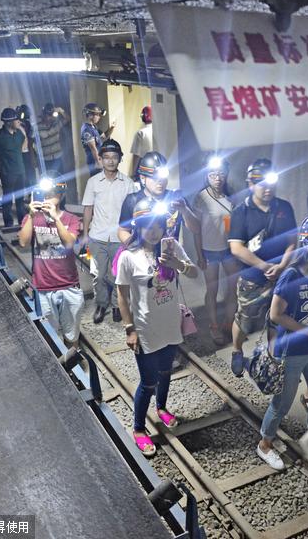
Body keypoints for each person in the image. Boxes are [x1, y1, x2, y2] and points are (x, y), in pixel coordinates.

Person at [256, 215, 308, 470]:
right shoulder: (291, 275)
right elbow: (275, 314)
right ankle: (265, 444)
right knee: (282, 403)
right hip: (291, 352)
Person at [116, 196, 198, 457]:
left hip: (170, 324)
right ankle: (139, 429)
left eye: (158, 226)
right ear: (138, 227)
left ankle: (161, 408)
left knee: (166, 372)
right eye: (147, 226)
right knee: (148, 381)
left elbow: (194, 272)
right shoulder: (129, 256)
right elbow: (122, 295)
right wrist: (130, 329)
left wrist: (177, 264)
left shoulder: (171, 247)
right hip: (146, 328)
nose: (153, 231)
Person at [228, 158, 297, 378]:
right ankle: (237, 351)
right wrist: (265, 266)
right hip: (252, 278)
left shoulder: (284, 207)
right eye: (261, 184)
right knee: (245, 320)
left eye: (271, 183)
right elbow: (236, 248)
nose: (267, 188)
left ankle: (271, 359)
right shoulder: (241, 211)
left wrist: (282, 266)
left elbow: (293, 240)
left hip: (280, 277)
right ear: (251, 184)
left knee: (276, 319)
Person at [18, 176, 84, 347]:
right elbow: (23, 242)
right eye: (44, 194)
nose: (47, 198)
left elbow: (69, 243)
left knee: (72, 336)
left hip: (69, 286)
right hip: (42, 288)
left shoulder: (71, 219)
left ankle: (74, 367)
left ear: (60, 196)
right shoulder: (32, 218)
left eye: (52, 194)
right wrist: (32, 215)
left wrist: (56, 219)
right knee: (49, 336)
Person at [82, 139, 136, 324]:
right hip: (97, 237)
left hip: (119, 238)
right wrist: (84, 235)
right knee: (99, 275)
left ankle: (116, 306)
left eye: (114, 157)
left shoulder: (128, 184)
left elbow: (133, 212)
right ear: (100, 159)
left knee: (117, 276)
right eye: (106, 158)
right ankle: (101, 304)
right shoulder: (93, 182)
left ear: (120, 159)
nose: (110, 161)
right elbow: (88, 208)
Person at [192, 155, 238, 345]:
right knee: (212, 289)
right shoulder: (202, 197)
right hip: (209, 250)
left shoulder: (230, 197)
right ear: (207, 176)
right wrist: (199, 254)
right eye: (213, 174)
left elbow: (232, 225)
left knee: (233, 287)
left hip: (228, 250)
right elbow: (196, 229)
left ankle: (229, 322)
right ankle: (213, 326)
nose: (217, 178)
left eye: (220, 174)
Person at [117, 151, 199, 245]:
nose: (160, 182)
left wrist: (185, 210)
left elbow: (196, 229)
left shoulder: (176, 199)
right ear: (143, 178)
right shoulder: (132, 200)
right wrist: (135, 250)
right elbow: (122, 230)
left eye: (163, 178)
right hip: (143, 256)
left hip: (169, 256)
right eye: (155, 178)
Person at [80, 103, 115, 179]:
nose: (99, 117)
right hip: (94, 162)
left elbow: (104, 136)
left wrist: (112, 127)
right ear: (90, 115)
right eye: (97, 115)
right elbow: (93, 148)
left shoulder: (93, 127)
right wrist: (98, 162)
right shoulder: (86, 129)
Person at [38, 102, 68, 173]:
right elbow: (30, 142)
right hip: (45, 160)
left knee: (60, 181)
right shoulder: (37, 127)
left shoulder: (56, 123)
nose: (49, 117)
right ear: (43, 115)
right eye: (47, 115)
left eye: (51, 115)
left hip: (57, 158)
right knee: (47, 181)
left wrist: (60, 110)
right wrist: (33, 158)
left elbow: (68, 119)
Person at [16, 104, 39, 192]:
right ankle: (28, 193)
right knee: (26, 175)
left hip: (27, 153)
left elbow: (31, 140)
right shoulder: (19, 126)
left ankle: (31, 193)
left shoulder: (28, 125)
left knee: (30, 174)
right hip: (22, 153)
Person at [130, 105, 153, 177]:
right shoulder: (158, 131)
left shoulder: (140, 133)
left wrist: (133, 173)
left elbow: (136, 155)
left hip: (144, 167)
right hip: (158, 165)